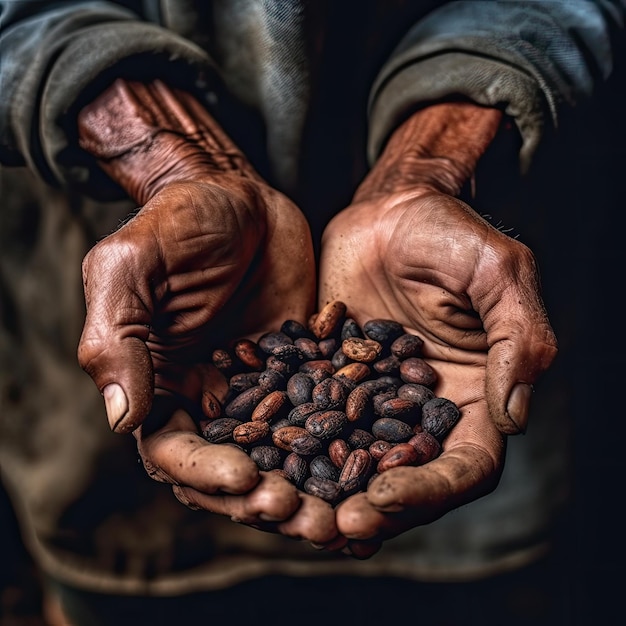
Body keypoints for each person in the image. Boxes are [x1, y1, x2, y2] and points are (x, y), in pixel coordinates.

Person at [0, 1, 624, 624]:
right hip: (143, 334)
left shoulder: (359, 385)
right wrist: (167, 160)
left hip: (473, 316)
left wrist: (432, 163)